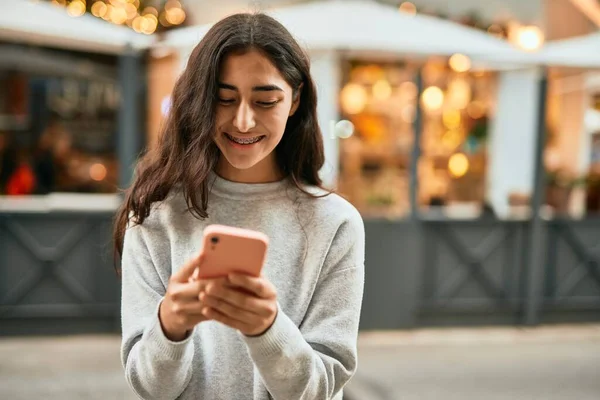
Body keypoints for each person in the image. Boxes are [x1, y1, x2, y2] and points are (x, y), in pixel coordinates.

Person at [114, 12, 365, 400]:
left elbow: (321, 389)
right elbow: (150, 388)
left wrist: (268, 330)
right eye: (223, 99)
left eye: (265, 100)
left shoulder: (335, 223)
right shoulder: (156, 214)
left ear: (295, 100)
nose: (243, 121)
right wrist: (170, 326)